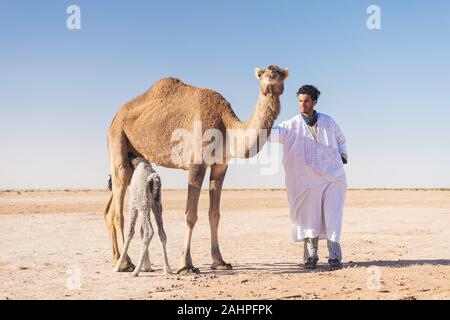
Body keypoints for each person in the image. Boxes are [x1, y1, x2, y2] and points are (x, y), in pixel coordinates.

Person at [269, 85, 348, 270]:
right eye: (300, 101)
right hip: (307, 181)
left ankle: (335, 257)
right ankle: (310, 257)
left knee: (333, 215)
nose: (302, 104)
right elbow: (271, 133)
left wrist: (341, 156)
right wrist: (259, 123)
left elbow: (341, 140)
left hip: (332, 177)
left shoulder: (328, 122)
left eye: (306, 101)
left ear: (314, 102)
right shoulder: (291, 125)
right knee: (308, 217)